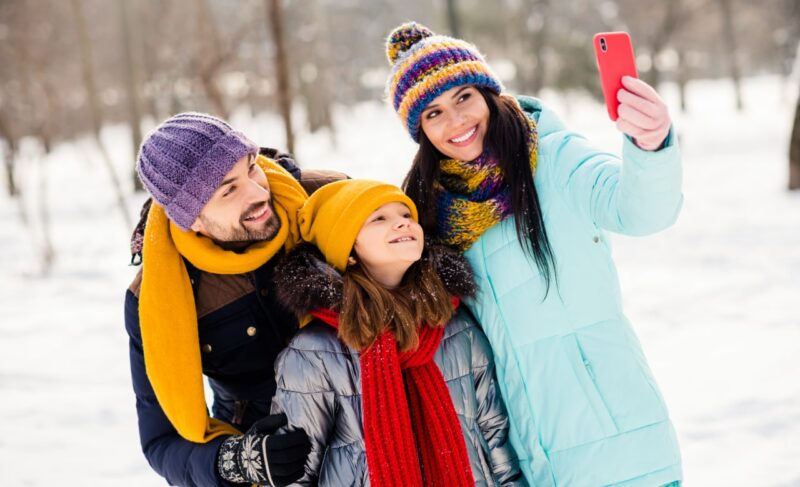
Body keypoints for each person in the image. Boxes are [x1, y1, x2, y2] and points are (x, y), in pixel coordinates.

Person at [385, 22, 683, 487]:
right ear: (419, 130)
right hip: (533, 455)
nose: (456, 122)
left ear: (487, 93)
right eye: (434, 113)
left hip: (624, 448)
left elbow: (640, 209)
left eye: (464, 97)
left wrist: (650, 146)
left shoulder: (554, 155)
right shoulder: (435, 211)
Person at [124, 112, 345, 486]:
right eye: (228, 189)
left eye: (252, 168)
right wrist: (238, 461)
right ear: (189, 219)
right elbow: (161, 441)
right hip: (275, 455)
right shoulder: (154, 297)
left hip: (372, 416)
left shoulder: (327, 201)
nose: (260, 192)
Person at [266, 179, 526, 486]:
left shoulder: (456, 328)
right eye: (379, 218)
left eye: (406, 215)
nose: (402, 224)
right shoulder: (314, 352)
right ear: (347, 249)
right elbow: (296, 473)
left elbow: (494, 435)